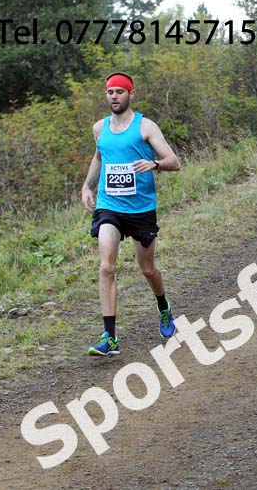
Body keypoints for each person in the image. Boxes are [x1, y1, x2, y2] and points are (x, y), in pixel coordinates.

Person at [80, 73, 182, 356]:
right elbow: (99, 156)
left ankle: (164, 307)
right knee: (106, 266)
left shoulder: (145, 126)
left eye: (119, 92)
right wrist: (87, 186)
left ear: (131, 94)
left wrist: (154, 164)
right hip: (109, 205)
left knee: (147, 269)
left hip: (140, 209)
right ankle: (109, 337)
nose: (114, 96)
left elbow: (175, 162)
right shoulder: (100, 128)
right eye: (110, 92)